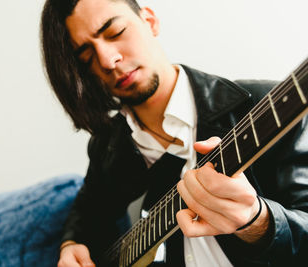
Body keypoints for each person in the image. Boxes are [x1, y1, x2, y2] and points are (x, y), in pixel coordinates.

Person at [40, 0, 308, 266]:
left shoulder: (266, 105)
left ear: (150, 22)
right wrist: (72, 243)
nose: (109, 60)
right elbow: (88, 208)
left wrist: (257, 221)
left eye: (116, 32)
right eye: (87, 56)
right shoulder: (107, 144)